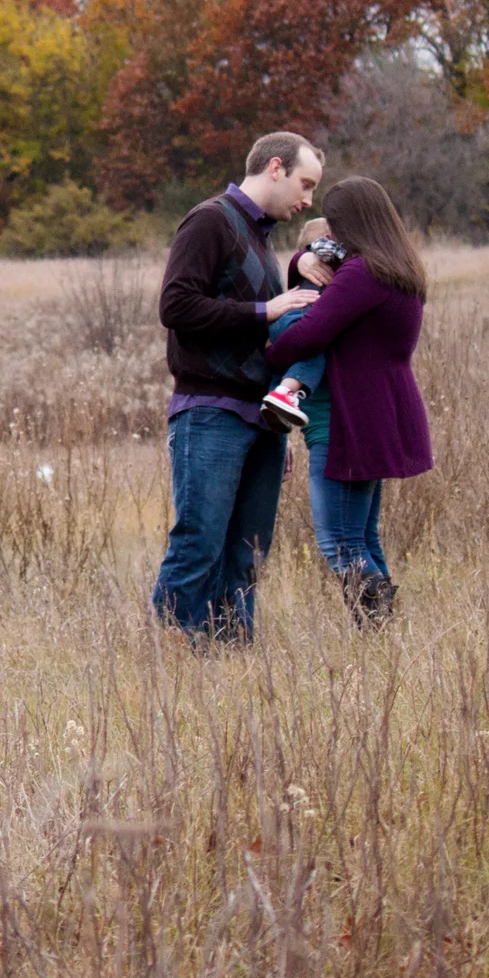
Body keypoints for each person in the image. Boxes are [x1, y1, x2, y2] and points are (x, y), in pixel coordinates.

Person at [150, 133, 323, 643]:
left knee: (247, 552)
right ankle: (170, 657)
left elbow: (268, 341)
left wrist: (281, 425)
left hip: (261, 421)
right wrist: (264, 309)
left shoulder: (261, 238)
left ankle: (231, 664)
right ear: (276, 167)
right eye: (305, 184)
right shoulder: (210, 220)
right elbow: (175, 307)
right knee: (200, 540)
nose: (309, 200)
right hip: (211, 411)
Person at [264, 176, 431, 625]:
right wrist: (302, 259)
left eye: (335, 226)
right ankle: (382, 638)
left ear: (352, 223)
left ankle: (378, 627)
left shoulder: (363, 273)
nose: (330, 236)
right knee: (362, 538)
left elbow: (314, 328)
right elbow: (320, 271)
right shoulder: (396, 266)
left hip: (349, 417)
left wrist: (268, 353)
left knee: (339, 542)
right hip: (378, 410)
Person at [259, 218, 346, 431]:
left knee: (291, 364)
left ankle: (274, 400)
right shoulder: (324, 252)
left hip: (282, 318)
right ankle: (286, 393)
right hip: (301, 319)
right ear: (328, 237)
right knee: (315, 349)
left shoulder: (305, 263)